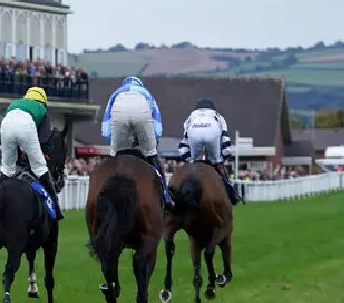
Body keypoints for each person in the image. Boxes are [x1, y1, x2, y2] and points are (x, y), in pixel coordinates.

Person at [101, 76, 171, 207]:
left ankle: (104, 193)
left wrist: (112, 145)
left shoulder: (115, 93)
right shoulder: (146, 93)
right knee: (152, 156)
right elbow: (157, 125)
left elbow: (106, 129)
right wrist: (152, 145)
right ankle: (166, 196)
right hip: (141, 110)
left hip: (119, 111)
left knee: (114, 158)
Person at [0, 86, 64, 219]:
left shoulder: (16, 104)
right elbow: (43, 140)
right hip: (26, 125)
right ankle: (56, 207)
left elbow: (15, 137)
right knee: (40, 167)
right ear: (43, 102)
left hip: (6, 123)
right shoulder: (42, 110)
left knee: (7, 169)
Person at [178, 98, 242, 205]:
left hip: (194, 132)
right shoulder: (219, 117)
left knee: (194, 164)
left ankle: (179, 195)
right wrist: (221, 159)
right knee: (217, 162)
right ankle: (232, 194)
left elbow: (183, 145)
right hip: (212, 131)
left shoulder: (190, 117)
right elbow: (226, 145)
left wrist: (188, 159)